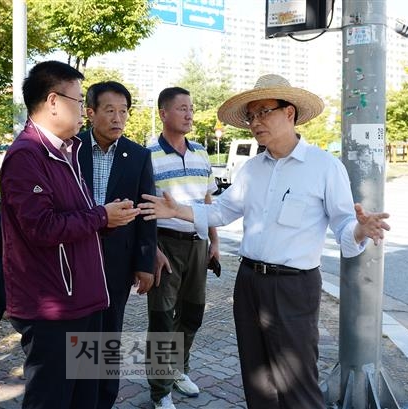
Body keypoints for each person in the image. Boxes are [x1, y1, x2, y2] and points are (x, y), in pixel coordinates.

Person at [138, 74, 391, 409]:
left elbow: (344, 225)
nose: (255, 122)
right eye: (251, 116)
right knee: (257, 379)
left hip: (293, 287)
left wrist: (359, 230)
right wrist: (178, 210)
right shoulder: (252, 169)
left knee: (296, 383)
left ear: (289, 113)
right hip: (249, 282)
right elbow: (222, 211)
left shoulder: (324, 167)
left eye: (263, 112)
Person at [0, 61, 140, 409]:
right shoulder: (26, 156)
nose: (82, 109)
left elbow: (75, 217)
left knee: (84, 398)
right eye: (78, 100)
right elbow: (42, 227)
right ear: (53, 101)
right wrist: (101, 215)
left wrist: (107, 220)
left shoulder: (66, 150)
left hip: (84, 297)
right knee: (51, 399)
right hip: (54, 304)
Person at [78, 81, 156, 409]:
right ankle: (80, 397)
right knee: (80, 330)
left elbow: (147, 213)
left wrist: (145, 263)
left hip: (117, 261)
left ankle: (103, 398)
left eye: (123, 112)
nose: (117, 118)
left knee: (110, 331)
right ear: (90, 112)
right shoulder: (71, 149)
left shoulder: (138, 155)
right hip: (76, 256)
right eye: (109, 110)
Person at [144, 87, 219, 409]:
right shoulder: (147, 155)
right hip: (165, 244)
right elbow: (143, 208)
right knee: (162, 318)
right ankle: (160, 391)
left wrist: (214, 242)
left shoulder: (201, 152)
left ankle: (178, 370)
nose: (189, 114)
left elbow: (208, 200)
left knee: (192, 314)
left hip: (198, 244)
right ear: (163, 113)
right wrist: (152, 249)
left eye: (191, 108)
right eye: (182, 108)